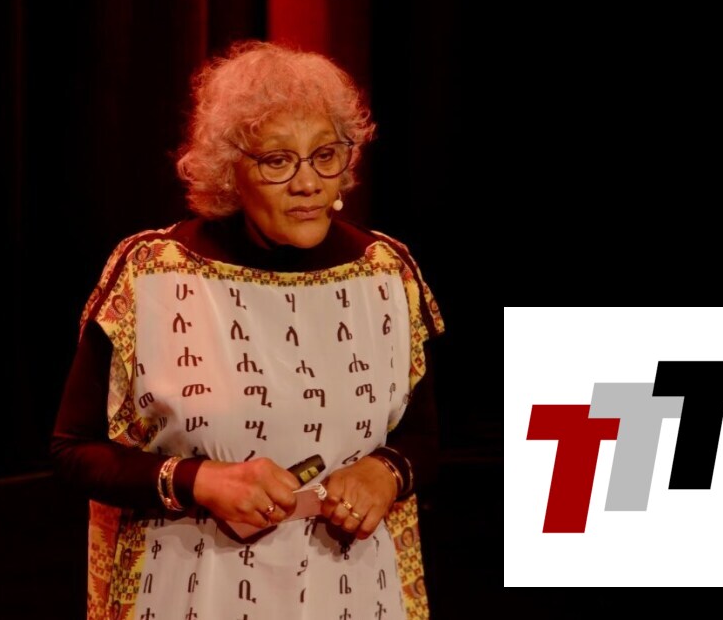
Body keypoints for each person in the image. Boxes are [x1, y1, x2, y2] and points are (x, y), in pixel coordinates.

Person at [51, 40, 444, 620]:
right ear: (229, 170)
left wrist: (385, 472)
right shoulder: (153, 272)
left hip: (351, 590)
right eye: (277, 161)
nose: (308, 183)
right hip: (191, 588)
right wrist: (198, 480)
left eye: (325, 155)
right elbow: (73, 449)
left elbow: (424, 438)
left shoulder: (386, 273)